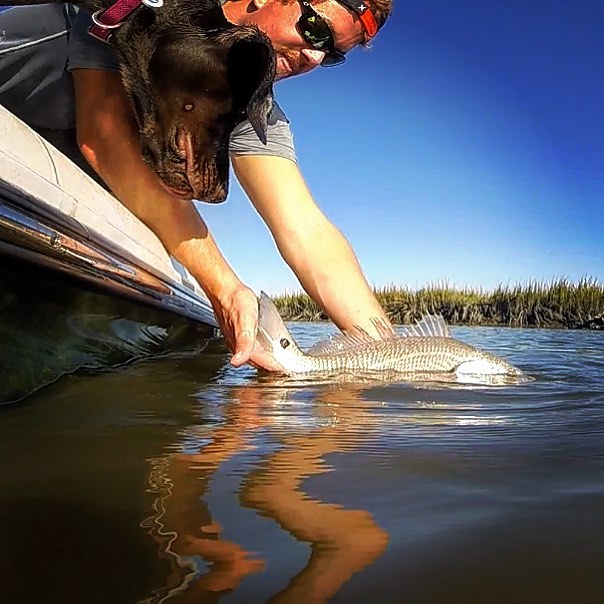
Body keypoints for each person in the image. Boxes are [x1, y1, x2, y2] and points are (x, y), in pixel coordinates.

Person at [0, 0, 393, 371]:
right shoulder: (151, 13)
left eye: (333, 56)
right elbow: (104, 137)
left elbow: (307, 231)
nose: (315, 57)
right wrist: (225, 287)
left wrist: (390, 354)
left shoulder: (258, 111)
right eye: (318, 31)